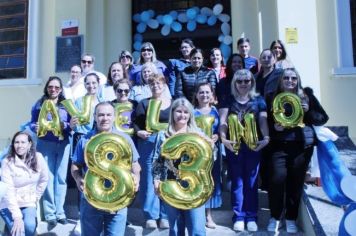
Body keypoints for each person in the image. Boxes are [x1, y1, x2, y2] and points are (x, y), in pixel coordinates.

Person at [265, 68, 323, 233]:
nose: (290, 81)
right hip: (278, 146)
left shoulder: (306, 96)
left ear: (297, 80)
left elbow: (322, 118)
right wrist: (273, 127)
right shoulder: (272, 97)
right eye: (286, 78)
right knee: (276, 180)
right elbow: (264, 122)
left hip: (301, 146)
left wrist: (309, 110)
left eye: (293, 78)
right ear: (281, 80)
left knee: (295, 183)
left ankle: (291, 218)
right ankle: (275, 217)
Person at [71, 102, 141, 236]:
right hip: (91, 200)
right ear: (95, 117)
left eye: (108, 115)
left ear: (114, 117)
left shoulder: (125, 139)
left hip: (118, 201)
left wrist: (136, 178)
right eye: (101, 115)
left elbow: (135, 165)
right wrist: (78, 178)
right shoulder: (84, 140)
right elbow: (75, 166)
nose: (105, 118)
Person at [219, 69, 269, 232]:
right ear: (234, 83)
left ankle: (251, 216)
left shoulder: (259, 100)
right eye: (239, 81)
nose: (243, 84)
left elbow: (262, 120)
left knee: (252, 182)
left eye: (246, 81)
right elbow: (223, 121)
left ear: (252, 82)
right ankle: (239, 216)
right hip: (234, 146)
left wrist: (266, 137)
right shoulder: (228, 99)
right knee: (237, 182)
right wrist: (223, 138)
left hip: (253, 146)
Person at [152, 98, 209, 236]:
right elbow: (157, 161)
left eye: (186, 112)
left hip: (195, 187)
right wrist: (156, 180)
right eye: (178, 111)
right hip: (170, 185)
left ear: (190, 115)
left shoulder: (199, 134)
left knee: (197, 229)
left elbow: (208, 161)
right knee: (176, 229)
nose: (182, 115)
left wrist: (210, 146)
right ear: (172, 113)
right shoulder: (163, 135)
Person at [30, 76, 71, 227]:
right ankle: (50, 213)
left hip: (63, 143)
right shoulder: (39, 104)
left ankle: (60, 212)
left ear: (61, 89)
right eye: (50, 87)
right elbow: (32, 121)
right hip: (45, 144)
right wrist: (34, 126)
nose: (53, 89)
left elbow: (74, 121)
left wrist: (65, 125)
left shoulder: (66, 104)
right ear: (46, 88)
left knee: (61, 178)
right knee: (47, 177)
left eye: (56, 87)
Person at [133, 74, 171, 229]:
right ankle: (150, 215)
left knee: (166, 177)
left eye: (159, 83)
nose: (156, 86)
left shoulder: (172, 102)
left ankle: (164, 215)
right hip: (148, 143)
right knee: (149, 179)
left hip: (168, 144)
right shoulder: (144, 103)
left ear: (164, 85)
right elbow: (136, 123)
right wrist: (139, 132)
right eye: (153, 84)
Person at [0, 131, 48, 236]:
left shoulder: (38, 157)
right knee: (19, 232)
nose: (20, 145)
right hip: (8, 203)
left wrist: (36, 197)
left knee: (30, 227)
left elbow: (44, 179)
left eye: (23, 142)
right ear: (13, 144)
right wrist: (17, 217)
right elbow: (8, 191)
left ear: (29, 144)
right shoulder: (7, 162)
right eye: (17, 142)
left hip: (28, 201)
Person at [193, 82, 222, 229]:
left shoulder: (216, 111)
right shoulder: (191, 112)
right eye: (201, 92)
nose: (204, 95)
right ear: (196, 95)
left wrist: (217, 135)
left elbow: (221, 129)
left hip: (213, 153)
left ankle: (208, 215)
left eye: (207, 92)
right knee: (198, 182)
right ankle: (196, 214)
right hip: (197, 154)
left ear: (212, 95)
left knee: (210, 181)